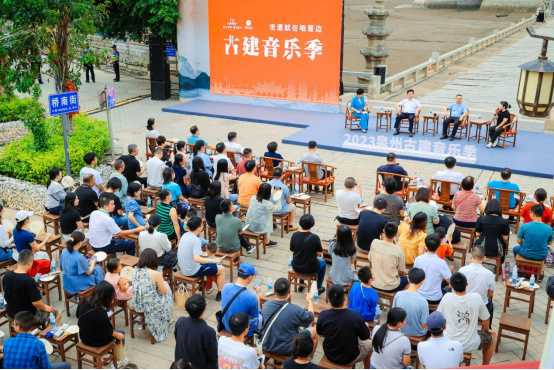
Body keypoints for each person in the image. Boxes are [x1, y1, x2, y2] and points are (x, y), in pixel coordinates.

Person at [438, 272, 495, 365]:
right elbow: (486, 318)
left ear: (451, 286)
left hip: (449, 341)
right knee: (491, 338)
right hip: (471, 344)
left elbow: (439, 318)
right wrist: (487, 329)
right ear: (467, 284)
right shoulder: (476, 297)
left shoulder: (447, 297)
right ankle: (485, 366)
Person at [316, 284, 371, 368]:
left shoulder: (323, 315)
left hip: (330, 354)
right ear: (345, 298)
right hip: (350, 358)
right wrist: (365, 326)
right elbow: (365, 336)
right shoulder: (355, 316)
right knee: (370, 344)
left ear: (329, 300)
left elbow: (320, 334)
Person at [260, 278, 317, 357]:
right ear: (289, 292)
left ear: (274, 291)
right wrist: (310, 301)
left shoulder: (266, 305)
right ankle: (308, 360)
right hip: (288, 349)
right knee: (314, 330)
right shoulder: (294, 309)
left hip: (268, 344)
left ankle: (277, 361)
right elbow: (310, 317)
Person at [77, 281, 128, 367]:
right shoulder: (100, 312)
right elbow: (109, 332)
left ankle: (105, 356)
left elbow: (77, 315)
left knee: (100, 329)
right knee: (121, 333)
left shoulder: (83, 300)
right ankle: (119, 359)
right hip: (96, 341)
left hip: (84, 336)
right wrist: (118, 335)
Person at [3, 250, 61, 324]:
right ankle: (46, 333)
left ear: (18, 260)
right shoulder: (29, 280)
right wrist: (45, 307)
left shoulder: (7, 276)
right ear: (30, 263)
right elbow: (36, 303)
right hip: (26, 317)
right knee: (57, 313)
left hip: (11, 315)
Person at [178, 217, 225, 300]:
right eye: (202, 224)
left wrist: (204, 254)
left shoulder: (185, 235)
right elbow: (197, 259)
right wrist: (214, 260)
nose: (203, 226)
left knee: (207, 263)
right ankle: (220, 293)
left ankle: (205, 285)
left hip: (183, 268)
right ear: (198, 227)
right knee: (222, 269)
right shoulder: (196, 240)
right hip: (192, 271)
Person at [3, 311, 71, 369]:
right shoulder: (38, 344)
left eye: (13, 324)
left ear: (18, 327)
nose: (13, 325)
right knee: (66, 365)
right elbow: (46, 367)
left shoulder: (7, 342)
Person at [131, 248, 173, 342]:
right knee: (167, 290)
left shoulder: (135, 271)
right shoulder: (155, 274)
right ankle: (166, 317)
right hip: (150, 306)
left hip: (137, 303)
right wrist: (160, 277)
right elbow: (164, 292)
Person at [174, 295, 218, 369]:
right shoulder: (208, 331)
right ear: (204, 310)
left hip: (181, 363)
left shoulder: (180, 321)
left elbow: (177, 337)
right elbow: (213, 355)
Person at [459, 245, 495, 328]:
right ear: (484, 258)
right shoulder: (489, 274)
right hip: (481, 306)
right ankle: (487, 328)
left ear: (470, 256)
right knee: (490, 304)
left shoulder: (462, 270)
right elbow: (490, 294)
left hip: (464, 303)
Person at [220, 263, 260, 337]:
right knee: (260, 318)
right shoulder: (251, 297)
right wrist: (257, 294)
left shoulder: (225, 287)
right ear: (250, 277)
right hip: (240, 330)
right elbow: (255, 315)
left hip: (226, 325)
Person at [289, 214, 326, 293]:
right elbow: (319, 254)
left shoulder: (294, 235)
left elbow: (292, 250)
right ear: (312, 224)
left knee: (301, 257)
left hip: (296, 266)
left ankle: (301, 283)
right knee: (323, 263)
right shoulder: (315, 237)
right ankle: (318, 287)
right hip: (310, 268)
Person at [414, 234, 452, 304]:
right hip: (434, 298)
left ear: (426, 246)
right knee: (447, 289)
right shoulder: (441, 262)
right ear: (438, 247)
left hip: (419, 294)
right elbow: (450, 279)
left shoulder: (418, 259)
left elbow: (415, 275)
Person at [370, 222, 408, 292]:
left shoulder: (374, 243)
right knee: (409, 279)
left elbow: (370, 259)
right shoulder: (399, 251)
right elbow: (401, 272)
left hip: (374, 282)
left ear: (383, 231)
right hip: (391, 286)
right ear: (396, 235)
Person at [392, 267, 428, 337]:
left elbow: (394, 313)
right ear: (422, 281)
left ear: (408, 279)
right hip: (417, 333)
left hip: (400, 329)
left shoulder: (398, 295)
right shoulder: (423, 302)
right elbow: (424, 324)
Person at [267, 167, 297, 231]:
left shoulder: (267, 184)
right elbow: (289, 201)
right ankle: (289, 225)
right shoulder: (284, 187)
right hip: (280, 210)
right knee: (293, 207)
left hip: (268, 208)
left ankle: (273, 222)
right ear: (282, 176)